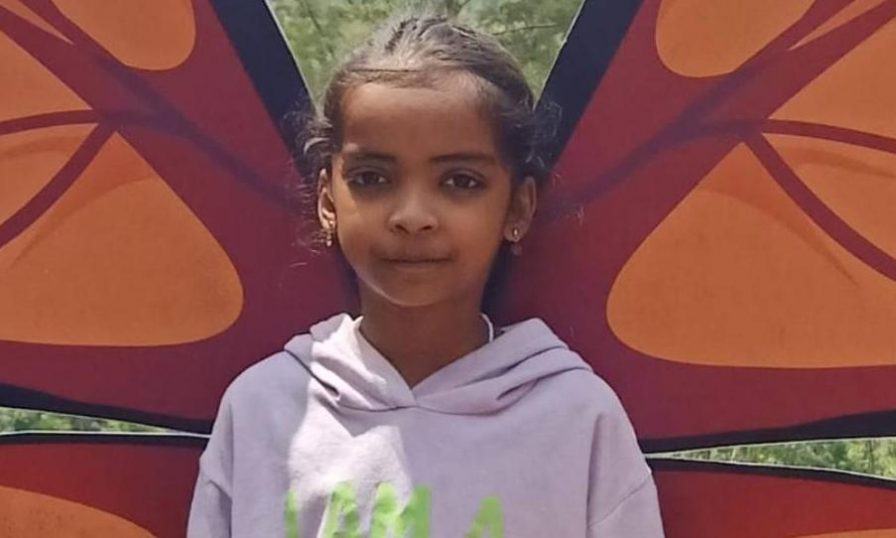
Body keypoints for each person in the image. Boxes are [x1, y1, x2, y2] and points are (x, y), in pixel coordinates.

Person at [187, 14, 664, 538]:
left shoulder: (578, 421)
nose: (412, 216)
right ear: (328, 200)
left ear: (518, 208)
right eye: (372, 178)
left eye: (460, 181)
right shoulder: (263, 410)